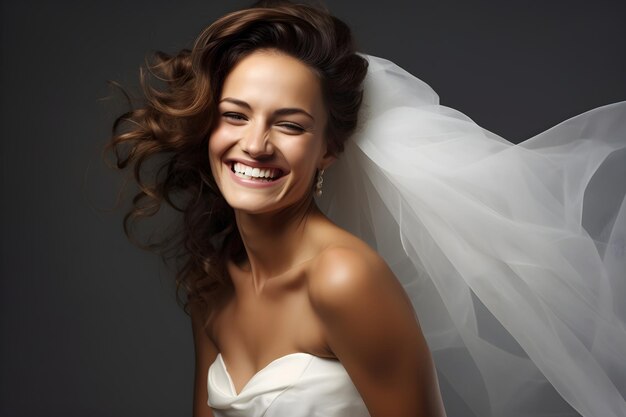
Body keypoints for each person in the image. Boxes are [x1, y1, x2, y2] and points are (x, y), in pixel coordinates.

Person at [106, 1, 626, 417]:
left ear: (328, 149)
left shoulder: (343, 278)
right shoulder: (214, 281)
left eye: (289, 125)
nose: (256, 144)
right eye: (235, 116)